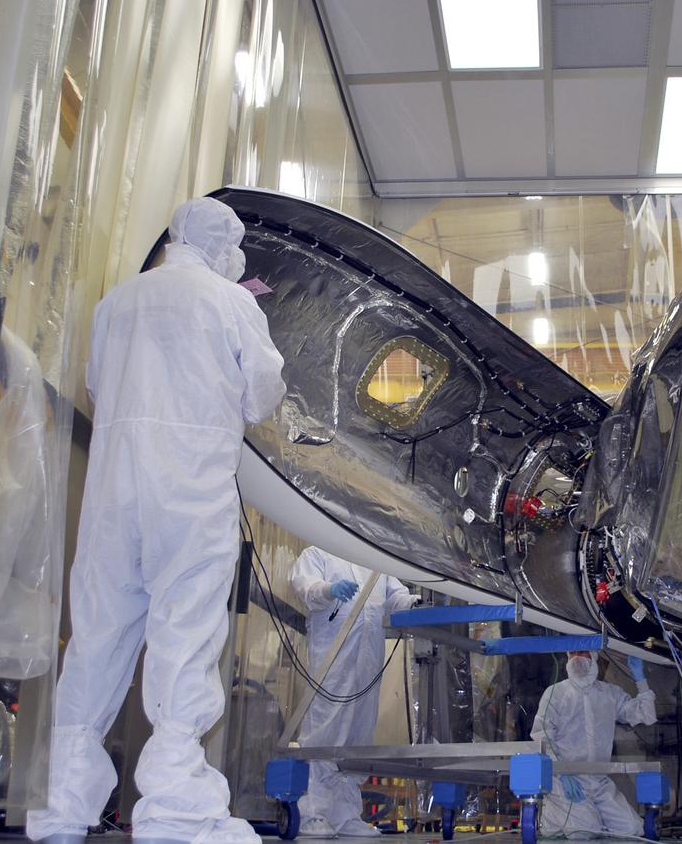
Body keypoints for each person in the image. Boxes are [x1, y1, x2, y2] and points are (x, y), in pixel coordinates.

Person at [26, 197, 286, 844]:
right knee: (185, 635)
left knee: (97, 638)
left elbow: (94, 383)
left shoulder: (117, 301)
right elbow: (263, 393)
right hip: (189, 489)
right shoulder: (232, 303)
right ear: (224, 247)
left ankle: (61, 808)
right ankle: (175, 808)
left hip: (114, 492)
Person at [289, 547, 419, 838]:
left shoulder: (374, 560)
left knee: (358, 736)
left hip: (367, 662)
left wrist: (415, 603)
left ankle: (345, 814)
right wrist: (329, 589)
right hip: (333, 661)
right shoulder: (317, 553)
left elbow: (394, 598)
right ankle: (312, 813)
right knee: (325, 733)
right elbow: (306, 588)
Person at [530, 650, 656, 839]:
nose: (578, 658)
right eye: (573, 653)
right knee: (584, 831)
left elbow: (645, 715)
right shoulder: (556, 692)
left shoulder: (610, 693)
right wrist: (561, 772)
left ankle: (583, 817)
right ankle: (551, 819)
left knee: (632, 828)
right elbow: (542, 735)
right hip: (564, 779)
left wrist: (640, 679)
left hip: (599, 781)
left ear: (594, 657)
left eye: (583, 652)